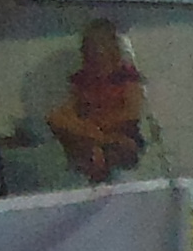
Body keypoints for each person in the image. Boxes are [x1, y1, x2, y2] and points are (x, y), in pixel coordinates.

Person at [46, 18, 150, 183]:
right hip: (91, 137)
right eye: (90, 48)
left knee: (116, 149)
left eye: (101, 46)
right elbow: (61, 116)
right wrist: (94, 133)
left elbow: (131, 114)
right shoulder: (82, 81)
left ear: (112, 49)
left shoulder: (127, 77)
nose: (95, 53)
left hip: (123, 140)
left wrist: (97, 126)